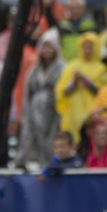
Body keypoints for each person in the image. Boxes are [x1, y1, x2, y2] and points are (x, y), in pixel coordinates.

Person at [15, 29, 64, 168]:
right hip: (34, 111)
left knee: (52, 140)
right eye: (44, 46)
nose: (47, 50)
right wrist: (24, 115)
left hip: (54, 111)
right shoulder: (34, 70)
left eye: (50, 46)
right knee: (32, 139)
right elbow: (27, 94)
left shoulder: (62, 68)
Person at [55, 32, 107, 145]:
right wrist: (74, 82)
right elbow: (63, 91)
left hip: (92, 112)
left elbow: (101, 92)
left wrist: (86, 81)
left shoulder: (102, 68)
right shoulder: (71, 66)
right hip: (72, 112)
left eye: (90, 47)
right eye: (85, 46)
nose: (87, 50)